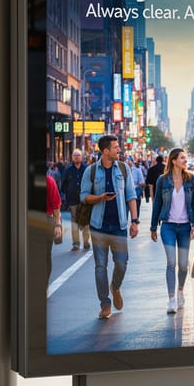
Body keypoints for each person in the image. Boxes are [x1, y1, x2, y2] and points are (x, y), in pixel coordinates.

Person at [80, 135, 139, 320]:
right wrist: (100, 198)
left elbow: (131, 195)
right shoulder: (90, 171)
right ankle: (105, 304)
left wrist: (135, 221)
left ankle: (115, 287)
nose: (119, 150)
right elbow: (84, 196)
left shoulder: (123, 168)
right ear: (106, 151)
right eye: (115, 147)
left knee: (121, 263)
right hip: (98, 226)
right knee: (100, 267)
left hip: (120, 225)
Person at [150, 148, 194, 314]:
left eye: (186, 157)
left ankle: (180, 290)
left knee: (183, 265)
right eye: (182, 158)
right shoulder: (162, 180)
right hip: (168, 226)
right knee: (171, 262)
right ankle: (171, 299)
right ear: (173, 160)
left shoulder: (190, 179)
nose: (185, 161)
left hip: (185, 226)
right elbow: (157, 204)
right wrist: (153, 226)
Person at [61, 149, 89, 251]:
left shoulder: (86, 169)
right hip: (72, 200)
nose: (77, 157)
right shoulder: (68, 169)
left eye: (78, 155)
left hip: (84, 200)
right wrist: (67, 193)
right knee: (74, 222)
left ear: (82, 157)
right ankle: (76, 244)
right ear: (72, 157)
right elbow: (63, 184)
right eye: (75, 155)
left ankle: (86, 242)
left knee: (85, 222)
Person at [46, 173, 63, 296]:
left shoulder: (49, 181)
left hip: (45, 220)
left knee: (45, 255)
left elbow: (56, 205)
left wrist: (58, 225)